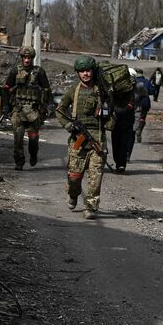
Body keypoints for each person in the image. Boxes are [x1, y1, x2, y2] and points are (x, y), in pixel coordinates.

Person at [52, 56, 112, 218]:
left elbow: (112, 112)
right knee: (74, 176)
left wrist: (107, 115)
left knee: (95, 176)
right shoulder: (73, 90)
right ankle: (73, 194)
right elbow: (59, 110)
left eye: (88, 70)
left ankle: (91, 206)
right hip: (78, 139)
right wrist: (68, 125)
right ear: (78, 73)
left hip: (97, 138)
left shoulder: (101, 91)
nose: (85, 74)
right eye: (82, 71)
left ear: (93, 71)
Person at [1, 47, 52, 171]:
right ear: (22, 58)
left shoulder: (39, 72)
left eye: (29, 58)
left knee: (33, 139)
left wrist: (49, 105)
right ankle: (19, 162)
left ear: (32, 59)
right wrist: (5, 105)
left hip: (34, 112)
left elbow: (47, 89)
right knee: (18, 139)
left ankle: (33, 154)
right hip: (18, 111)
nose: (27, 60)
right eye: (25, 58)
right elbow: (6, 88)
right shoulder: (14, 71)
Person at [133, 77, 152, 144]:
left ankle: (134, 130)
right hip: (145, 102)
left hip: (135, 103)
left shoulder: (131, 82)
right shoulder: (146, 81)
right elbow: (151, 91)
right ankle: (139, 129)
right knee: (142, 117)